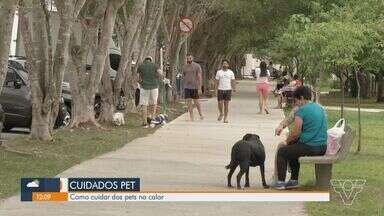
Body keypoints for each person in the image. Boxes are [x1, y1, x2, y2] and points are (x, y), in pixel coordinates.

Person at [274, 86, 327, 190]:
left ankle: (280, 182)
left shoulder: (302, 110)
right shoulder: (320, 108)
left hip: (311, 147)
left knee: (282, 152)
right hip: (322, 147)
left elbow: (296, 132)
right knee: (293, 148)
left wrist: (286, 141)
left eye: (296, 100)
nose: (295, 103)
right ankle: (293, 181)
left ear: (302, 98)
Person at [137, 56, 162, 128]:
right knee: (154, 103)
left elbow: (137, 77)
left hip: (144, 87)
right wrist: (157, 79)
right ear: (151, 60)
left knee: (144, 105)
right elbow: (160, 73)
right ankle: (152, 119)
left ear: (145, 60)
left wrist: (141, 82)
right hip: (154, 87)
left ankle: (145, 122)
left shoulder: (141, 66)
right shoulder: (154, 65)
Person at [182, 54, 204, 121]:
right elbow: (184, 76)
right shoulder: (184, 67)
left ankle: (200, 114)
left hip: (195, 86)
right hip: (187, 87)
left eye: (190, 58)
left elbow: (199, 76)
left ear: (192, 58)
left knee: (196, 101)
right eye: (187, 58)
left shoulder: (197, 66)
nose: (189, 60)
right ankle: (191, 116)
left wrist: (200, 87)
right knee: (189, 101)